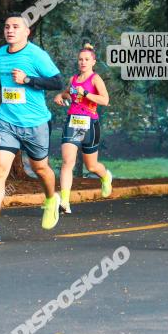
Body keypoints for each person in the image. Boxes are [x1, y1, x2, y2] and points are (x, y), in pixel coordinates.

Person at [0, 13, 64, 242]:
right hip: (7, 121)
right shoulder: (1, 53)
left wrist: (27, 80)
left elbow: (57, 82)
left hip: (35, 124)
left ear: (27, 32)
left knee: (41, 168)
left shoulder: (37, 55)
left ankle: (51, 199)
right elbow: (5, 77)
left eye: (16, 26)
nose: (10, 30)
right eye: (7, 26)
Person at [53, 43, 113, 214]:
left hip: (90, 125)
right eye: (80, 59)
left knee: (91, 166)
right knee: (68, 162)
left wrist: (86, 94)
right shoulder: (73, 79)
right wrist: (60, 96)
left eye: (87, 59)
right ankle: (64, 202)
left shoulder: (95, 79)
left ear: (93, 62)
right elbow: (67, 93)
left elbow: (105, 100)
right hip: (73, 123)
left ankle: (106, 176)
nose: (83, 62)